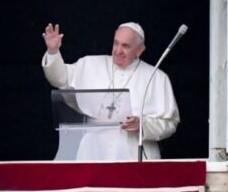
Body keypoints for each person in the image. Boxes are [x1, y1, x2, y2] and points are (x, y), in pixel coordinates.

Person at [41, 22, 179, 160]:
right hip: (92, 152)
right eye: (116, 43)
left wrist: (142, 125)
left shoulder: (156, 77)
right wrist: (53, 52)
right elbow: (60, 79)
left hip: (134, 154)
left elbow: (170, 123)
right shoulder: (90, 64)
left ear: (140, 50)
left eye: (125, 46)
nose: (118, 50)